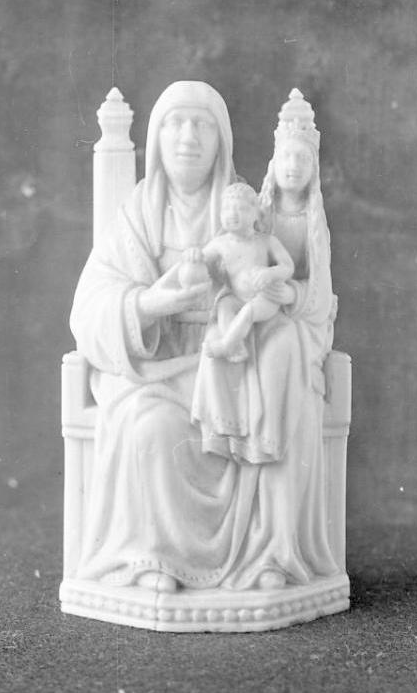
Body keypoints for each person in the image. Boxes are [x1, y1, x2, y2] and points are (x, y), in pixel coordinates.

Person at [70, 82, 339, 594]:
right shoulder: (138, 213)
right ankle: (154, 559)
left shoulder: (244, 205)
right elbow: (89, 305)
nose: (188, 137)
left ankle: (267, 554)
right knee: (150, 428)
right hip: (162, 367)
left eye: (203, 125)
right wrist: (151, 304)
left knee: (270, 405)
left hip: (231, 361)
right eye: (175, 123)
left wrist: (267, 295)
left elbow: (292, 278)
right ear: (156, 138)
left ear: (222, 141)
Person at [182, 182, 294, 364]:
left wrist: (270, 273)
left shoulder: (266, 241)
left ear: (256, 214)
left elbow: (287, 267)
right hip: (237, 297)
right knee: (224, 306)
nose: (232, 214)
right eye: (226, 209)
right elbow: (202, 258)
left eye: (241, 208)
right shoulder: (220, 244)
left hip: (265, 297)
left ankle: (226, 345)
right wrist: (193, 255)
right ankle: (237, 347)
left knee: (248, 311)